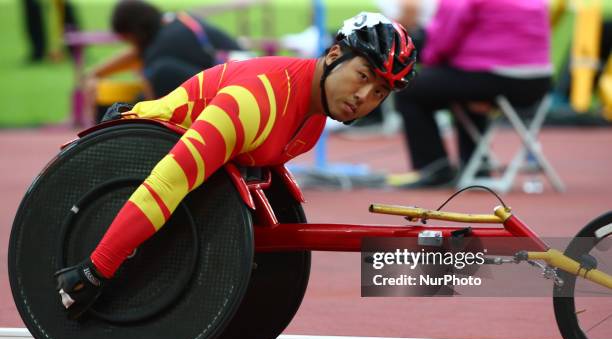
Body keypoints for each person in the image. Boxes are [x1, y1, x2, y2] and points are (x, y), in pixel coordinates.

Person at [54, 12, 418, 319]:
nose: (363, 97)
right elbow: (166, 185)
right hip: (128, 157)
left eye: (379, 93)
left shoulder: (313, 121)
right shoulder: (253, 104)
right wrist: (95, 270)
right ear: (335, 53)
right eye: (364, 76)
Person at [386, 0, 552, 188]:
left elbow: (443, 41)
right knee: (463, 87)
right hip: (538, 82)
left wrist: (426, 59)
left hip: (495, 78)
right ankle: (476, 164)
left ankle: (434, 169)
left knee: (410, 88)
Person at [85, 0, 243, 105]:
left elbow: (149, 92)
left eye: (127, 39)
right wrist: (96, 73)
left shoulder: (161, 46)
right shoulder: (172, 22)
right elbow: (136, 55)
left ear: (135, 32)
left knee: (159, 74)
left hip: (239, 91)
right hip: (246, 81)